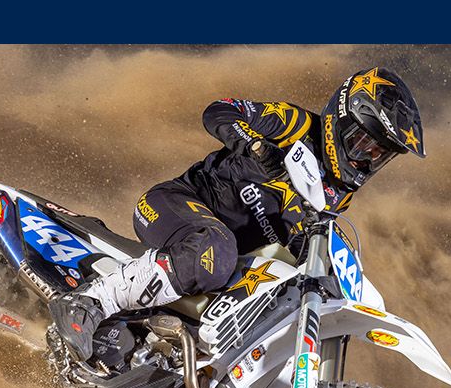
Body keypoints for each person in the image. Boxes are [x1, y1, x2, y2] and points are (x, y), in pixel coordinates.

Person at [47, 67, 426, 357]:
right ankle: (89, 302)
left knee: (280, 298)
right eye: (362, 143)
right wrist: (254, 145)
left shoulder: (337, 196)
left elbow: (300, 244)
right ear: (340, 120)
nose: (365, 160)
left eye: (378, 155)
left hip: (219, 261)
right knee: (217, 249)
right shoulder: (294, 124)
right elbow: (220, 111)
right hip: (174, 205)